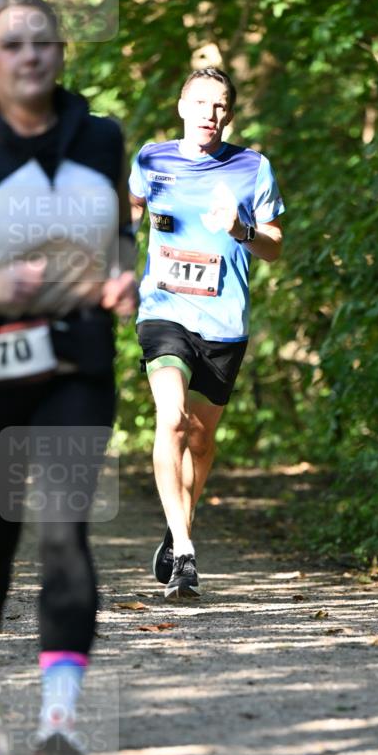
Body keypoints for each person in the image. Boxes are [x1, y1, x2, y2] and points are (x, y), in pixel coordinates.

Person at [0, 0, 137, 755]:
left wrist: (124, 277)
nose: (30, 55)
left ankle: (60, 721)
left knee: (65, 532)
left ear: (63, 52)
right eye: (13, 43)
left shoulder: (102, 137)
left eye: (43, 41)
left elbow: (119, 235)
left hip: (77, 362)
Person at [129, 67, 285, 600]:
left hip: (224, 324)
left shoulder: (252, 167)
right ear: (182, 107)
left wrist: (241, 229)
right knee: (172, 418)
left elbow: (274, 246)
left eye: (219, 106)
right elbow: (131, 212)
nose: (209, 114)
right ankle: (185, 553)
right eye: (200, 103)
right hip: (164, 312)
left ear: (230, 115)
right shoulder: (152, 159)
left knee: (199, 437)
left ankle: (179, 528)